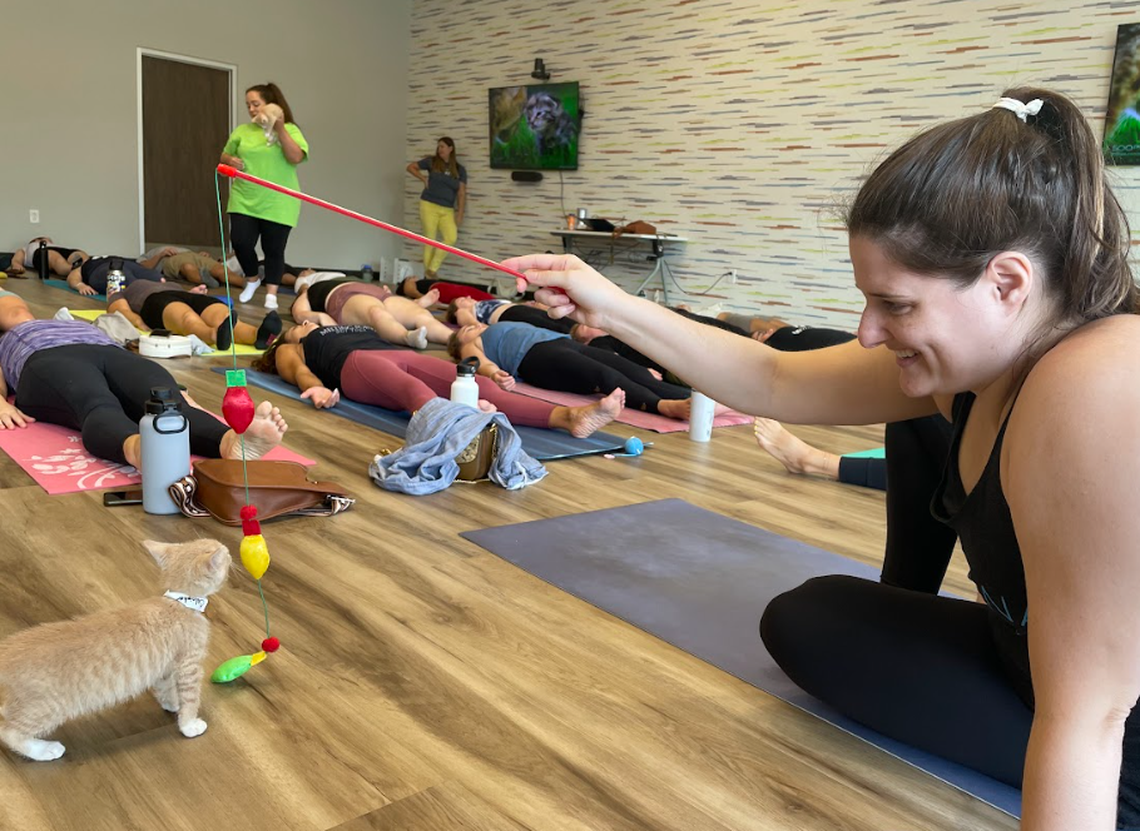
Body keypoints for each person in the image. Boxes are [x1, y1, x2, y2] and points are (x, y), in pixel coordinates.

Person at [503, 89, 1140, 829]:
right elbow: (775, 379)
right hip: (1027, 663)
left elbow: (1091, 716)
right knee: (812, 620)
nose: (868, 330)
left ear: (1006, 283)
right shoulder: (985, 360)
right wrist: (608, 303)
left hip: (1116, 726)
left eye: (895, 304)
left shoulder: (1098, 384)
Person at [0, 312, 289, 466]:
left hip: (111, 352)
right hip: (46, 359)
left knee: (171, 403)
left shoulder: (74, 322)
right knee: (96, 403)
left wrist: (179, 390)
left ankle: (230, 444)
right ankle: (138, 449)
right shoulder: (7, 338)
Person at [252, 321, 622, 438]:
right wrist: (313, 387)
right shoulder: (293, 347)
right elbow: (297, 370)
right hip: (356, 366)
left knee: (479, 385)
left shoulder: (336, 326)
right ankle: (464, 421)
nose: (303, 323)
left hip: (400, 355)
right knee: (414, 392)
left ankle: (569, 417)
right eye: (296, 326)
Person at [448, 321, 692, 419]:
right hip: (535, 357)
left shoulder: (494, 325)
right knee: (605, 375)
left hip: (563, 343)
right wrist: (493, 373)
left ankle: (690, 399)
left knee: (630, 369)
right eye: (466, 329)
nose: (473, 326)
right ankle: (664, 406)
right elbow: (475, 360)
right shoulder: (472, 344)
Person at [220, 82, 308, 310]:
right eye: (248, 105)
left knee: (273, 250)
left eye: (255, 104)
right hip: (244, 198)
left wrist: (280, 129)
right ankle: (252, 278)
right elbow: (224, 156)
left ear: (271, 105)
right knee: (240, 241)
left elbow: (296, 157)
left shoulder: (290, 130)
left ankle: (271, 293)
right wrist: (230, 161)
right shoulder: (242, 131)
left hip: (279, 201)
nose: (251, 109)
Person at [107, 280, 280, 349]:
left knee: (223, 315)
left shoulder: (170, 283)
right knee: (188, 318)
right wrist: (138, 321)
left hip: (185, 295)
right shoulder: (125, 290)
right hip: (154, 301)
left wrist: (194, 292)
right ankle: (213, 335)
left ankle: (257, 335)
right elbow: (119, 309)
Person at [289, 277, 452, 349]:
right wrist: (321, 317)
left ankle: (453, 339)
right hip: (343, 296)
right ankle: (406, 337)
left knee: (420, 314)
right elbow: (299, 314)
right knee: (376, 312)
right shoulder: (307, 290)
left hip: (375, 291)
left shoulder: (333, 275)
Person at [406, 137, 467, 279]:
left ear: (451, 149)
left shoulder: (459, 170)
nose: (440, 149)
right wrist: (423, 178)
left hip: (447, 209)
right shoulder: (432, 162)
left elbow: (462, 193)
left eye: (443, 147)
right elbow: (411, 167)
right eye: (438, 147)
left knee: (451, 237)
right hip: (429, 205)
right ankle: (429, 277)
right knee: (430, 240)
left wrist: (460, 213)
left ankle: (432, 269)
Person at [66, 252, 167, 297]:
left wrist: (160, 255)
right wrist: (80, 285)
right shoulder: (86, 265)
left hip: (128, 263)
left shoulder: (98, 257)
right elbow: (72, 276)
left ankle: (161, 290)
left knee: (157, 278)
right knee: (127, 281)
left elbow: (146, 266)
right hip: (102, 269)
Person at [6, 237, 89, 277]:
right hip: (41, 252)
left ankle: (88, 266)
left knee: (78, 253)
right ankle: (70, 269)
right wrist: (16, 264)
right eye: (40, 238)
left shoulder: (55, 245)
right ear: (34, 241)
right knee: (54, 257)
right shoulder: (27, 248)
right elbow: (17, 258)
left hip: (65, 251)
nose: (44, 239)